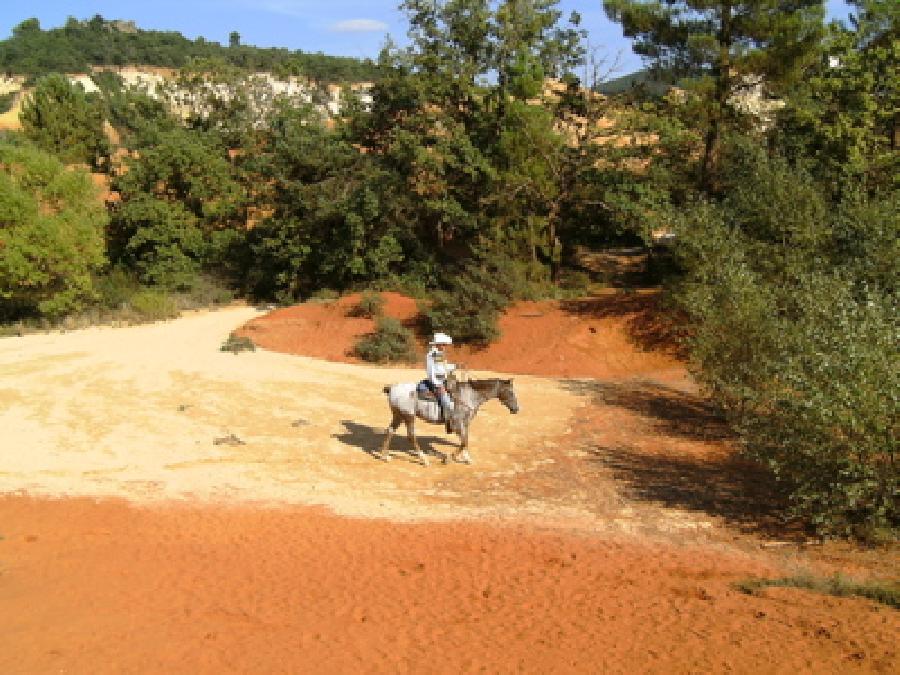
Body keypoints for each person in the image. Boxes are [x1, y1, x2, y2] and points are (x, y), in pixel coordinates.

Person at [425, 332, 457, 432]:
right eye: (443, 344)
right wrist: (438, 385)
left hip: (443, 380)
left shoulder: (439, 354)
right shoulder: (433, 355)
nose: (444, 346)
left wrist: (456, 366)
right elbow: (431, 372)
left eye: (445, 344)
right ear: (437, 344)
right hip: (437, 383)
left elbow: (444, 367)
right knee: (449, 404)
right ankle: (449, 421)